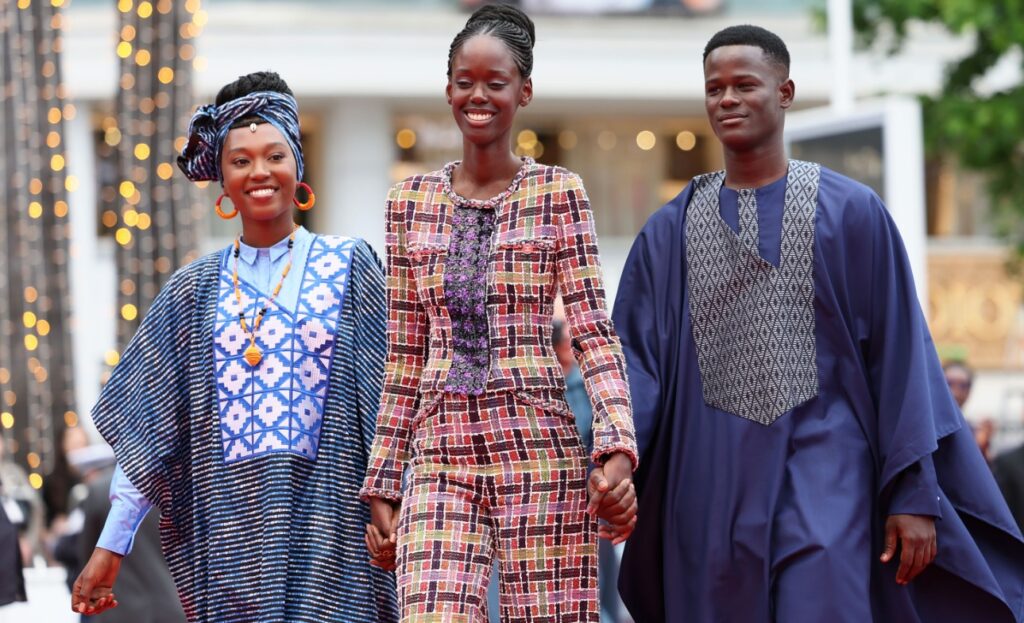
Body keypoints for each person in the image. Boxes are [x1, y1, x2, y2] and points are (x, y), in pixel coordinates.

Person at [612, 24, 1024, 623]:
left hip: (827, 475)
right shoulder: (666, 233)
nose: (727, 99)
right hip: (706, 487)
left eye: (744, 84)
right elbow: (636, 370)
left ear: (785, 92)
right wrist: (617, 458)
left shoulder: (852, 213)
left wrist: (913, 491)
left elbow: (901, 357)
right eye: (714, 88)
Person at [71, 71, 399, 622]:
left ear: (298, 162)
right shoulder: (192, 290)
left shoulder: (352, 264)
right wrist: (111, 545)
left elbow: (392, 397)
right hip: (228, 537)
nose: (259, 172)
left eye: (274, 155)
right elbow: (151, 427)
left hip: (335, 526)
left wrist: (396, 503)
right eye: (240, 160)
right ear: (221, 177)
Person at [360, 6, 638, 621]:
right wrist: (382, 479)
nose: (477, 95)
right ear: (449, 89)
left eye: (495, 82)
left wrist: (616, 446)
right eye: (464, 81)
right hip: (440, 451)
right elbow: (405, 353)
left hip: (540, 448)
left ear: (524, 92)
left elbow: (593, 330)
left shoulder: (559, 193)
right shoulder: (408, 202)